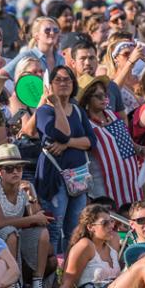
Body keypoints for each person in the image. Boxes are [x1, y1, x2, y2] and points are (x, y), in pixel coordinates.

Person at [35, 65, 97, 254]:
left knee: (75, 230)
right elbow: (60, 134)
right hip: (54, 177)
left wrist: (67, 144)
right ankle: (51, 277)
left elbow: (91, 141)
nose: (63, 83)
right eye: (58, 80)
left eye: (67, 79)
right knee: (54, 229)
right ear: (50, 85)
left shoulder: (78, 111)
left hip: (77, 178)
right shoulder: (44, 111)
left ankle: (70, 274)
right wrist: (57, 106)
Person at [0, 144, 53, 288]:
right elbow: (0, 222)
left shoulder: (26, 186)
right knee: (10, 232)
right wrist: (33, 218)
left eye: (19, 168)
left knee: (42, 232)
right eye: (9, 168)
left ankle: (37, 284)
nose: (15, 172)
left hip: (16, 234)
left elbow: (38, 218)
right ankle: (12, 284)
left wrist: (31, 196)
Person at [77, 74, 145, 206]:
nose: (104, 99)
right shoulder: (84, 124)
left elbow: (124, 139)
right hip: (103, 186)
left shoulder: (112, 114)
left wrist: (139, 148)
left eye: (105, 95)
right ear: (87, 100)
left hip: (130, 181)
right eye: (98, 96)